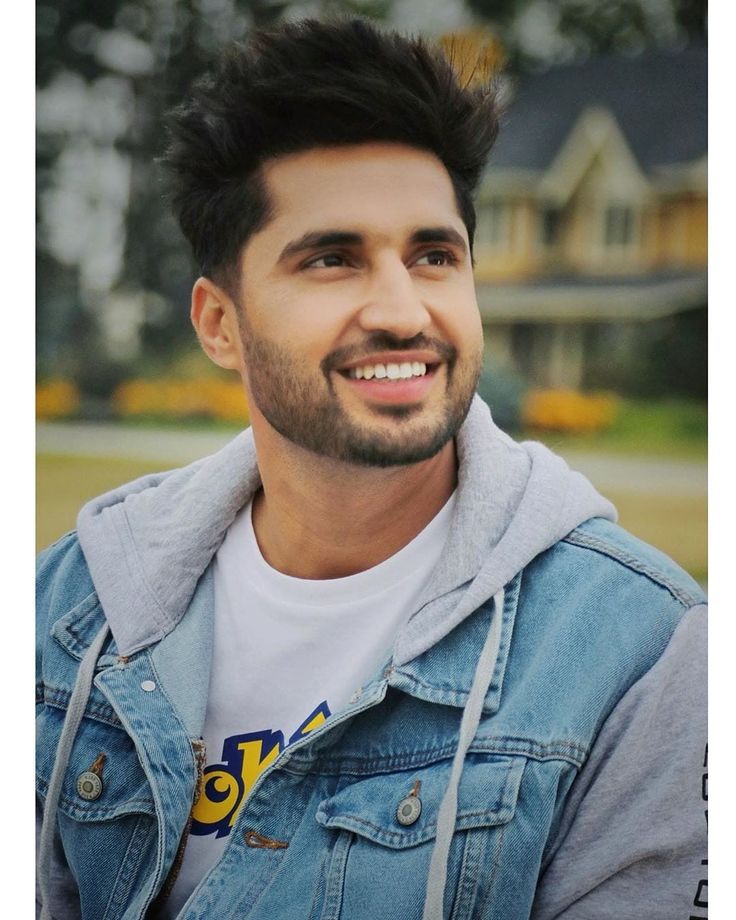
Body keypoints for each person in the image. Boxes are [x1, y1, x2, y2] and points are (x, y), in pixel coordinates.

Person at [36, 17, 707, 920]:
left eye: (434, 255)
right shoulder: (71, 610)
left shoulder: (637, 650)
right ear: (218, 324)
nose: (402, 311)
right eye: (332, 259)